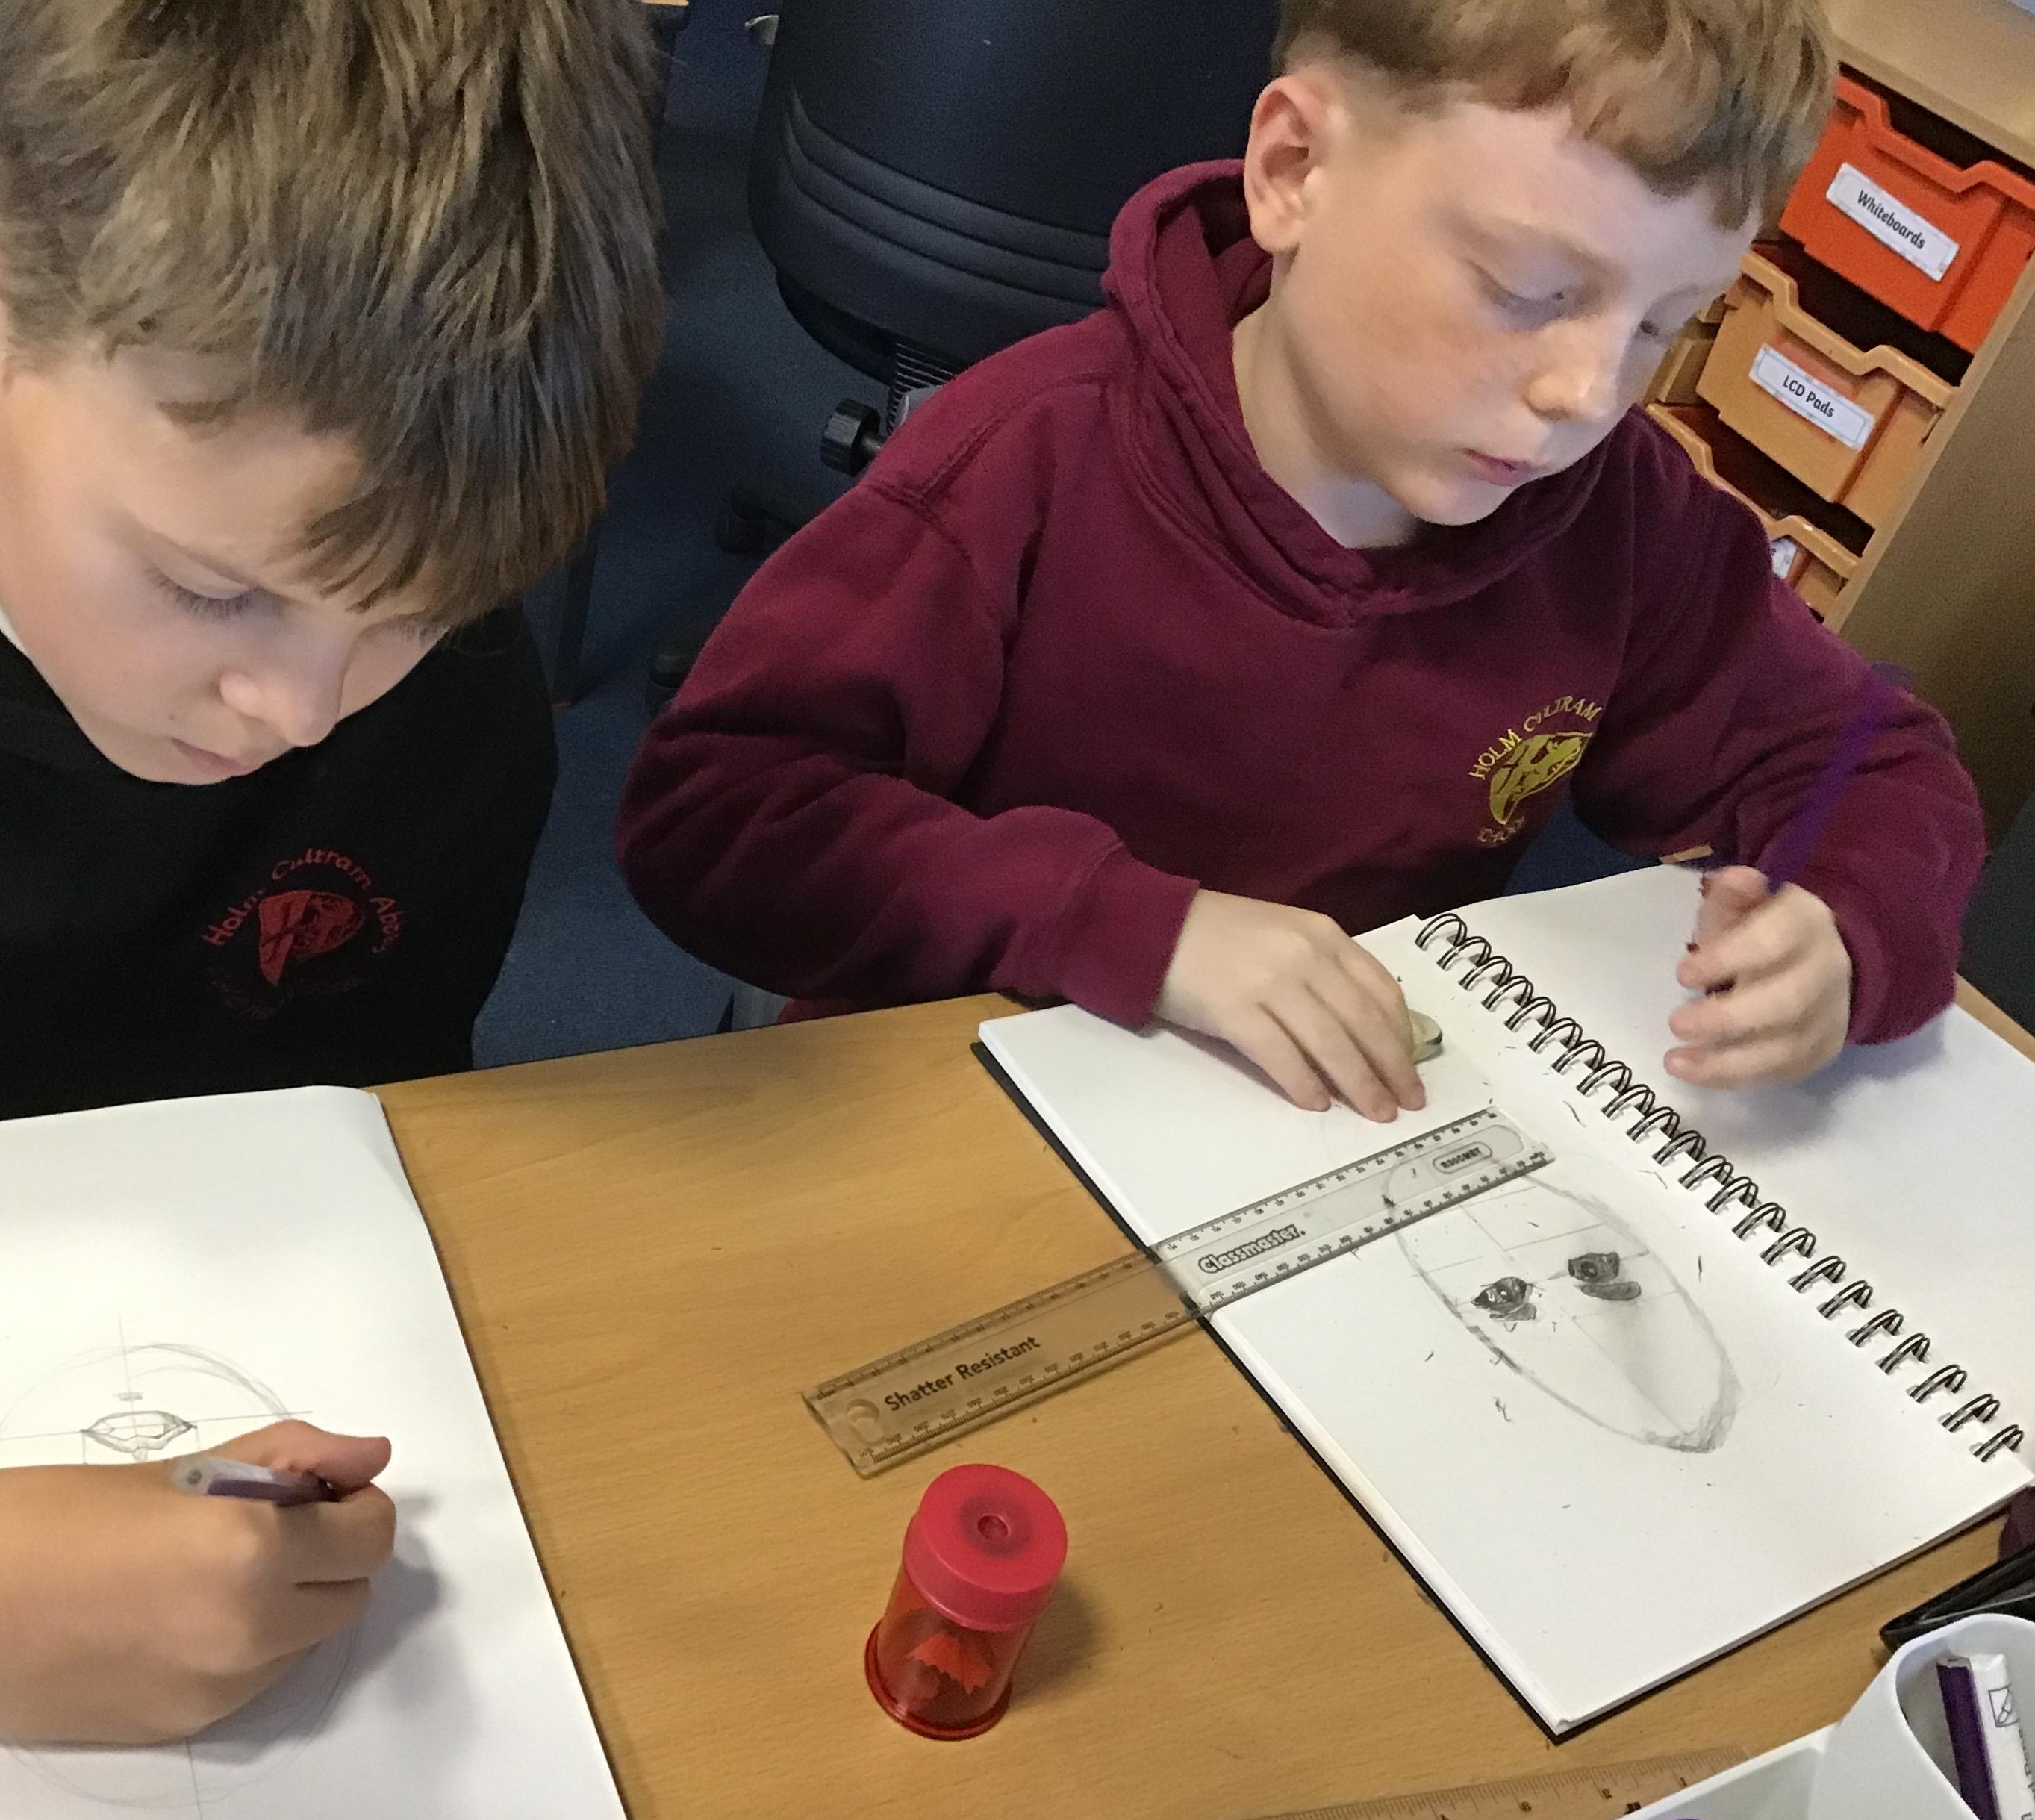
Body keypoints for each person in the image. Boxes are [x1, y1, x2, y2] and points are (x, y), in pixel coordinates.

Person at [0, 0, 662, 1742]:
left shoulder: (437, 702)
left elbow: (369, 1131)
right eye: (211, 590)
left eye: (417, 611)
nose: (305, 709)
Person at [618, 0, 1980, 1127]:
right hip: (966, 1108)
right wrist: (1131, 925)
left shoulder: (1624, 518)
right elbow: (718, 816)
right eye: (1528, 292)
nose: (1588, 392)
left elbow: (1870, 759)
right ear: (1293, 172)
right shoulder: (1021, 464)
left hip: (1319, 1143)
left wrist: (1843, 919)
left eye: (1663, 326)